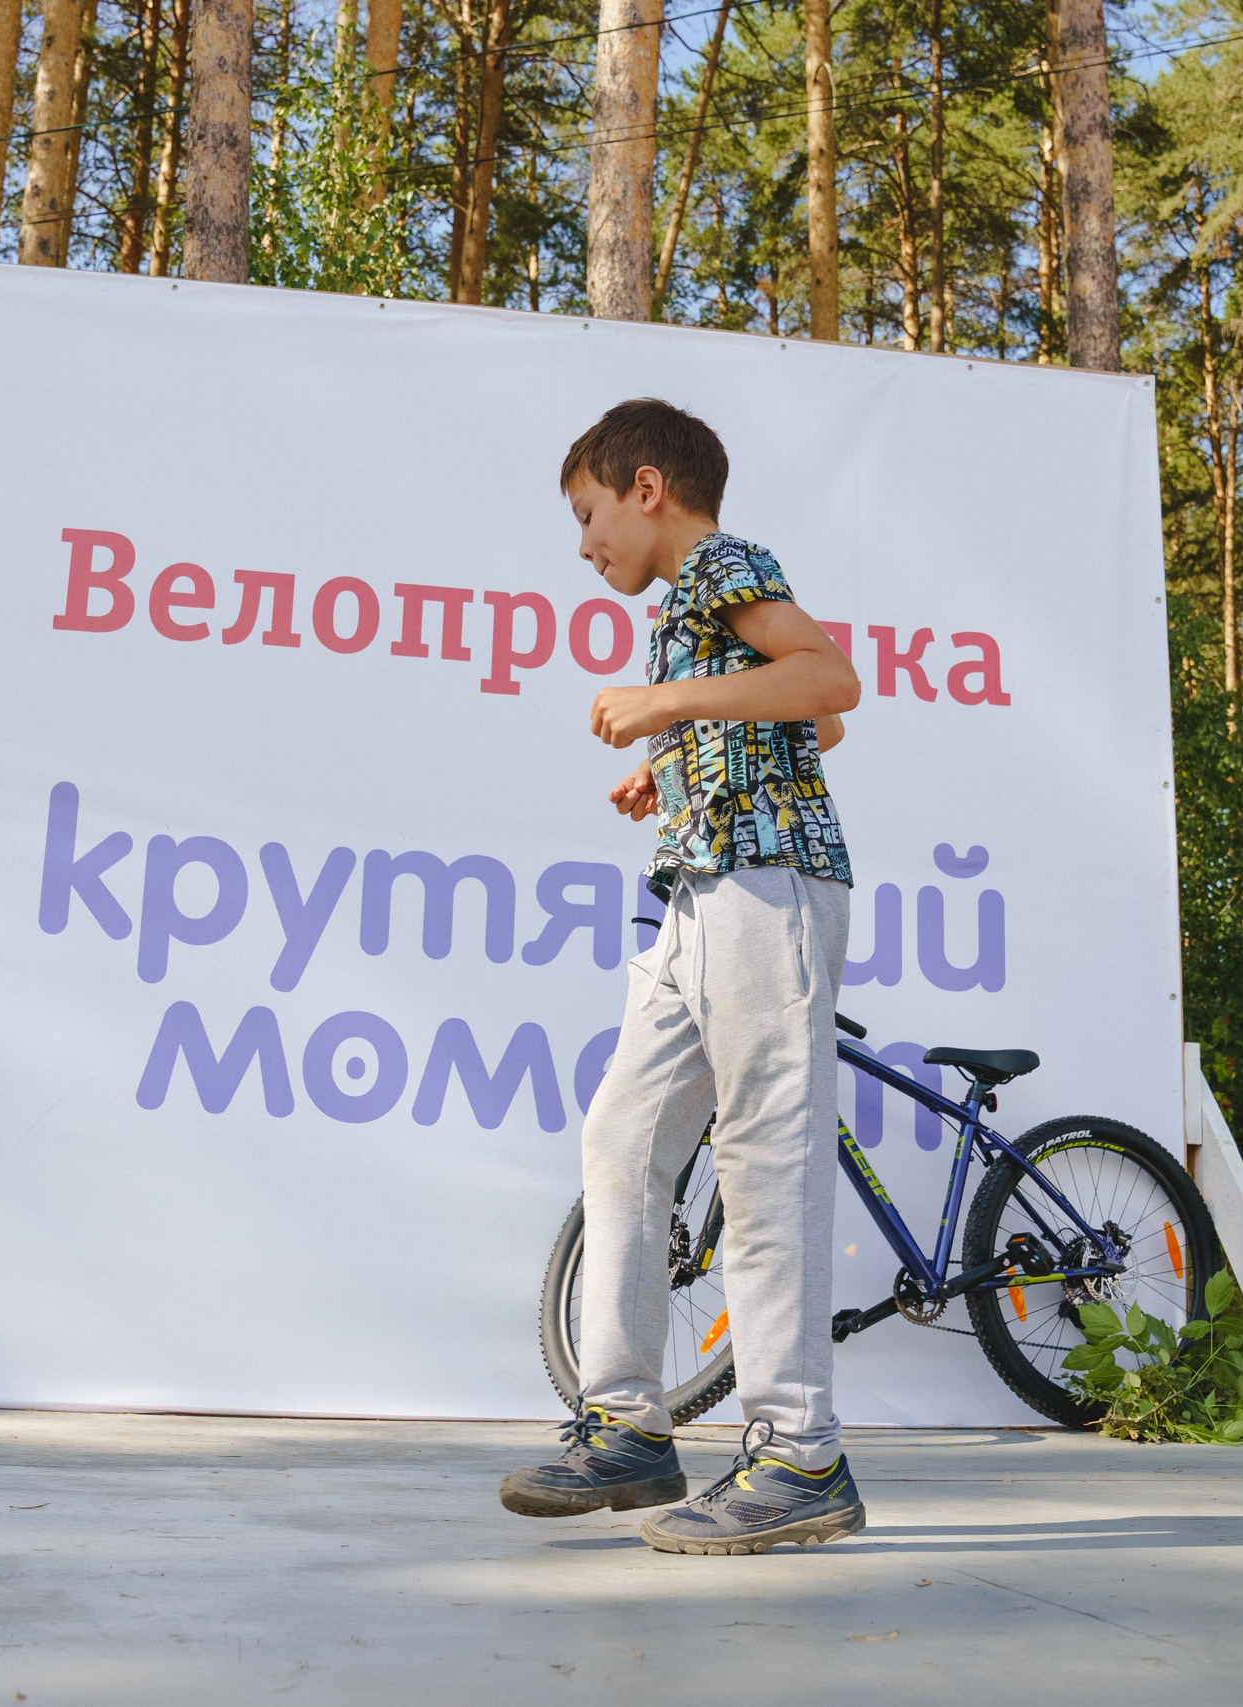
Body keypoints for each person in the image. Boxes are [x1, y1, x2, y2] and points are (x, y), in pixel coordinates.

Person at [498, 398, 865, 1556]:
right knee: (621, 1137)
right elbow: (804, 728)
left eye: (588, 512)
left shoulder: (720, 564)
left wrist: (668, 704)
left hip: (768, 887)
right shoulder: (688, 606)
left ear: (646, 488)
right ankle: (627, 1424)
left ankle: (800, 1454)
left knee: (763, 1159)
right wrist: (683, 757)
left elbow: (830, 683)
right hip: (699, 893)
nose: (583, 540)